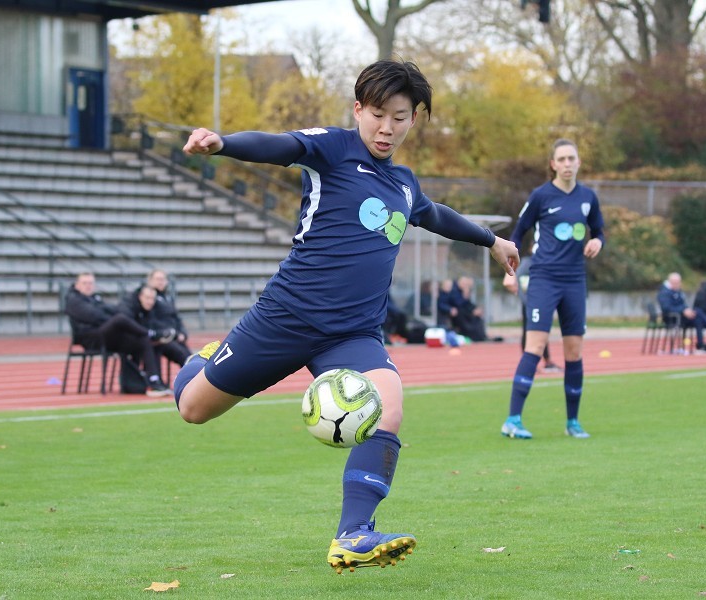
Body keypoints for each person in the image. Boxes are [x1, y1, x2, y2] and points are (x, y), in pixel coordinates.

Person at [175, 59, 520, 573]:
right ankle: (201, 360)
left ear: (412, 120)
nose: (387, 128)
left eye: (400, 118)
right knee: (194, 408)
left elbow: (437, 216)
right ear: (359, 109)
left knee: (390, 405)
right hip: (286, 319)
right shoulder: (333, 149)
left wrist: (492, 240)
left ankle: (353, 533)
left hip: (353, 333)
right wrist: (223, 143)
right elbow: (281, 146)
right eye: (378, 114)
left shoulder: (403, 183)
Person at [501, 138, 604, 441]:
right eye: (562, 159)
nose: (568, 164)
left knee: (574, 351)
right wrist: (510, 271)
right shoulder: (540, 196)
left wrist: (598, 241)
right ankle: (513, 419)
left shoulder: (588, 197)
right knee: (535, 346)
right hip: (544, 278)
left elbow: (599, 231)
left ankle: (572, 422)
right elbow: (517, 234)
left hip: (575, 280)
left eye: (572, 158)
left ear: (579, 162)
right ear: (553, 164)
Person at [64, 272, 170, 397]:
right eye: (85, 283)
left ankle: (154, 381)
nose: (88, 286)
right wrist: (112, 318)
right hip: (90, 338)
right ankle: (151, 333)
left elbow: (113, 309)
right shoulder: (74, 300)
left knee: (143, 339)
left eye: (91, 283)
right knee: (120, 319)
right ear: (77, 285)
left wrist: (111, 315)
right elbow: (93, 316)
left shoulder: (95, 298)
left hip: (106, 335)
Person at [503, 254, 562, 372]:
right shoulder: (527, 262)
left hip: (542, 302)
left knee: (542, 331)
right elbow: (522, 280)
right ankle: (528, 363)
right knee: (528, 331)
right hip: (531, 303)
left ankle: (547, 360)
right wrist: (528, 300)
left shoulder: (545, 261)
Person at [657, 272, 706, 353]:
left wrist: (687, 310)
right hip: (672, 318)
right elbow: (666, 308)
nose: (677, 285)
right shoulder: (664, 292)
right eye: (675, 283)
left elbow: (683, 304)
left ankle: (701, 345)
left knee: (698, 317)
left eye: (678, 283)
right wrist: (683, 310)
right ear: (670, 282)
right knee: (698, 312)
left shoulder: (678, 291)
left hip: (681, 317)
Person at [145, 269, 192, 367]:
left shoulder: (168, 298)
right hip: (161, 337)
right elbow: (151, 319)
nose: (161, 282)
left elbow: (176, 318)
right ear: (150, 281)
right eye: (158, 279)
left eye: (163, 279)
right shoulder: (148, 298)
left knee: (193, 358)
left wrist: (182, 333)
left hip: (174, 336)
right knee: (183, 356)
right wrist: (170, 332)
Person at [437, 276, 502, 342]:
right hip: (457, 315)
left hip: (462, 313)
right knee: (465, 319)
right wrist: (450, 309)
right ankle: (473, 337)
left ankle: (482, 336)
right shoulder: (453, 290)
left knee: (477, 318)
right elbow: (458, 303)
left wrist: (475, 309)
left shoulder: (461, 290)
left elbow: (468, 304)